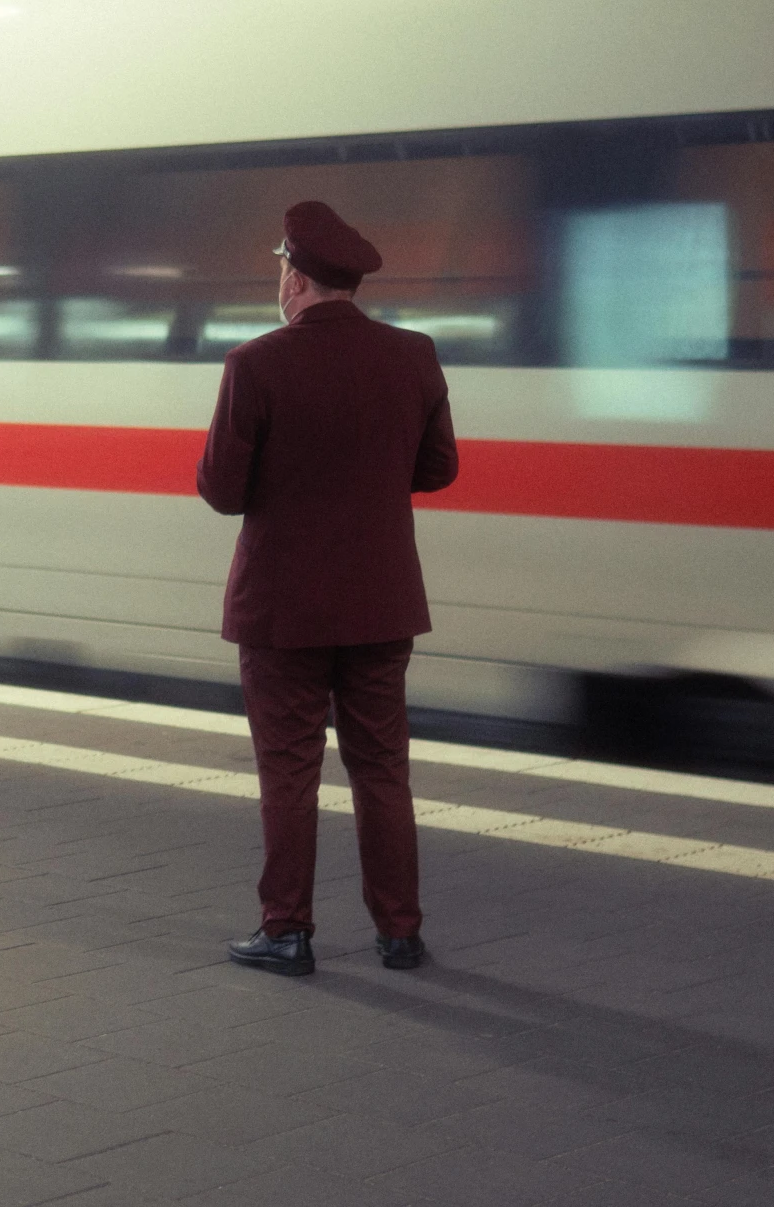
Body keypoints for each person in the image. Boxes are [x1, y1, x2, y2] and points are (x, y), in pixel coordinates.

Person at [196, 200, 459, 976]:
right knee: (382, 768)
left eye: (282, 268)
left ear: (297, 278)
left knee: (289, 768)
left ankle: (287, 929)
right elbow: (439, 468)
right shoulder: (414, 356)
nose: (279, 280)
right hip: (380, 603)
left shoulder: (255, 364)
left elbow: (221, 488)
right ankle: (400, 932)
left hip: (282, 609)